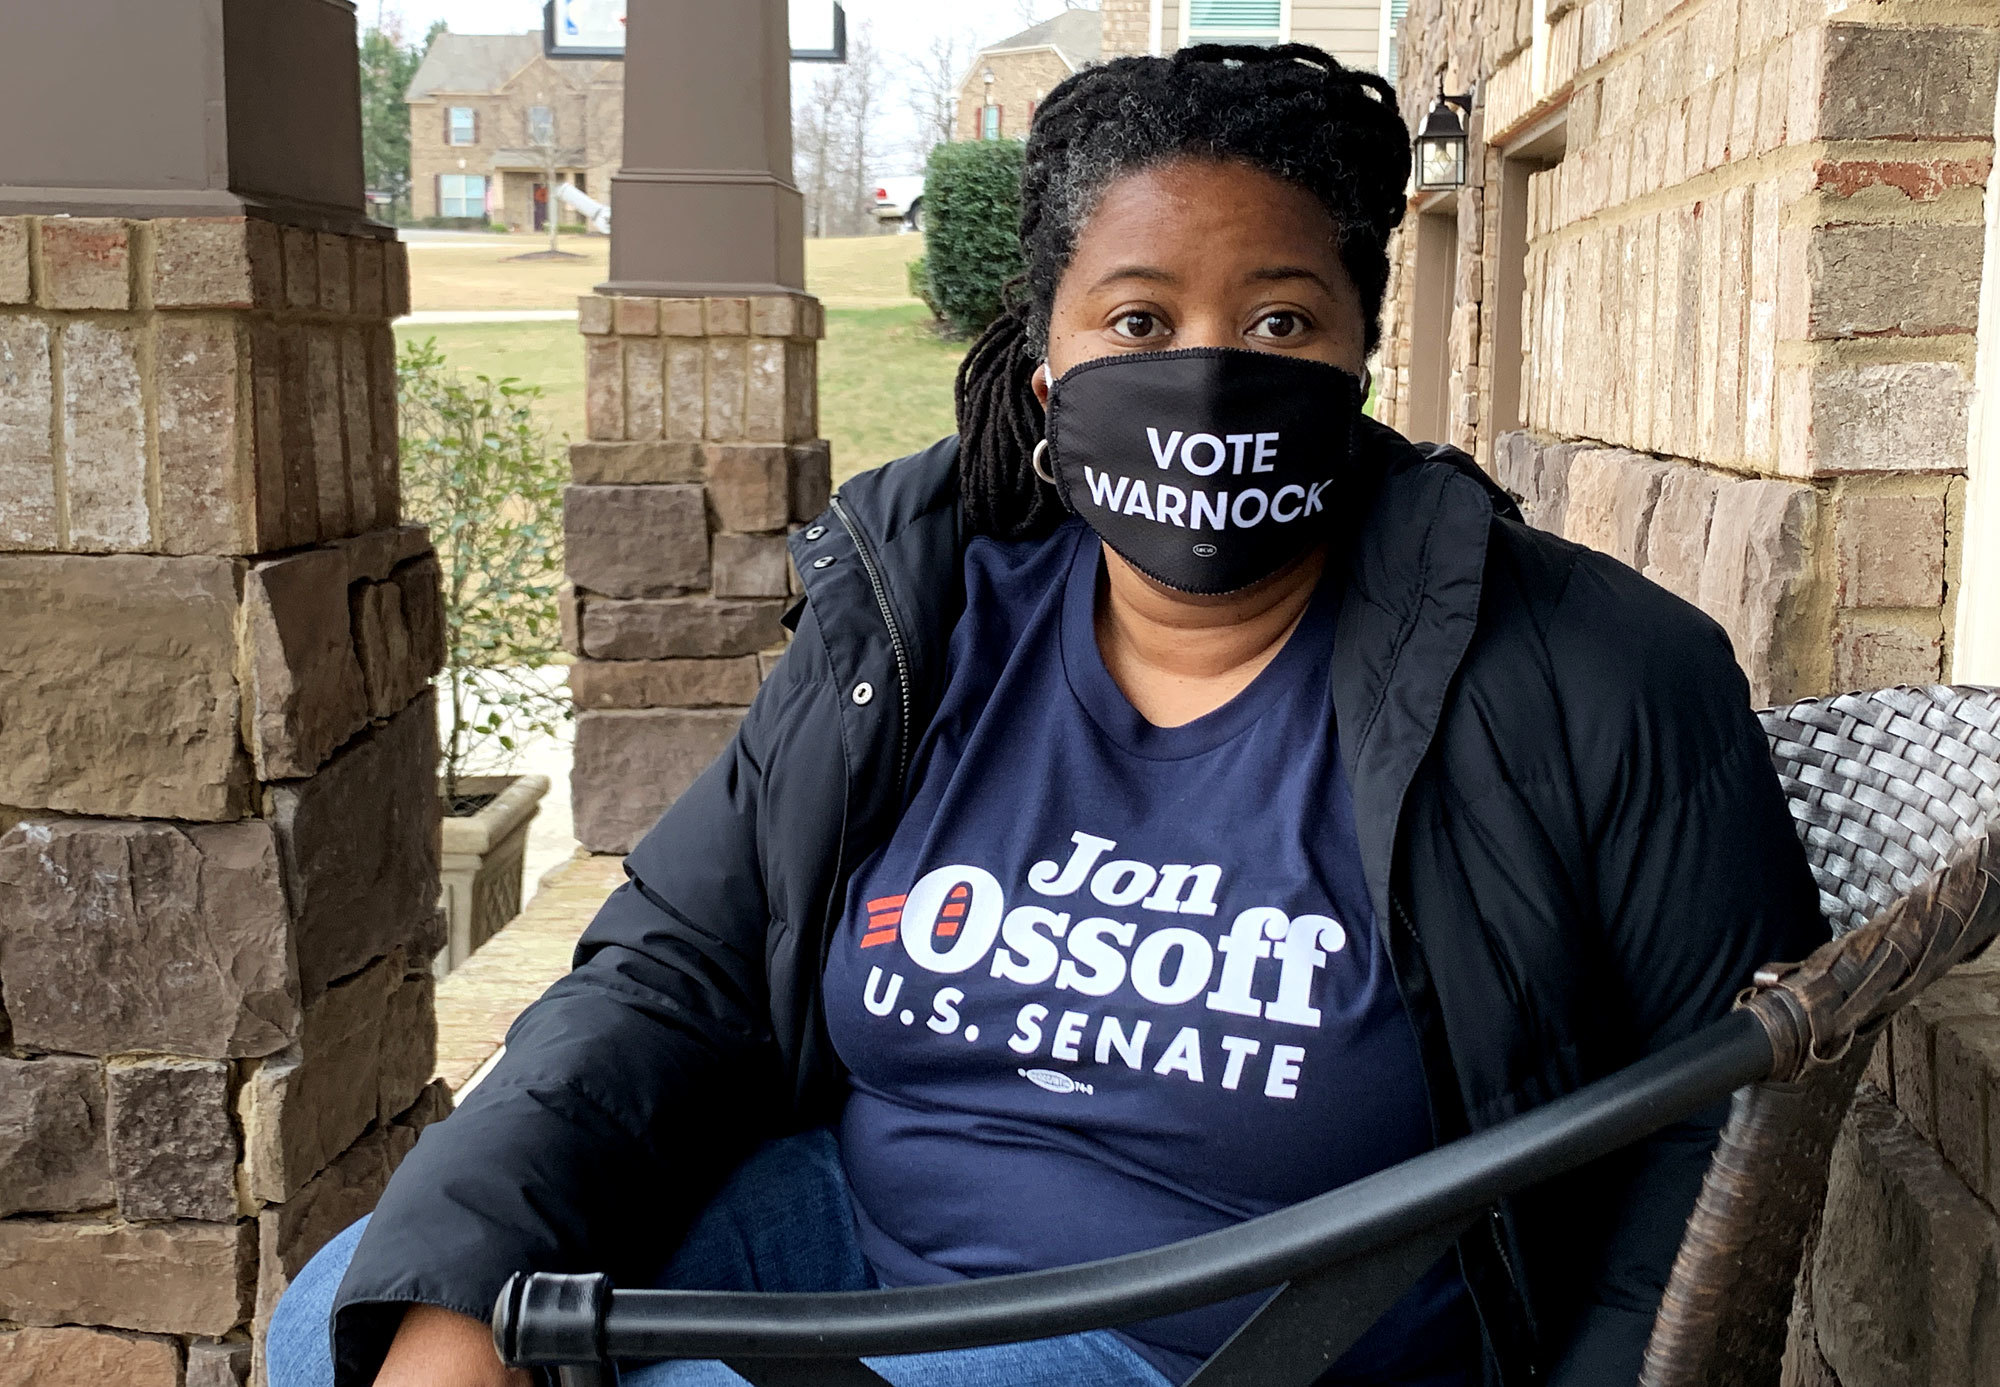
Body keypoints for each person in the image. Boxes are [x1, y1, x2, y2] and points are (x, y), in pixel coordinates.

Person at [268, 43, 1825, 1387]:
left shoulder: (1592, 669)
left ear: (1361, 355)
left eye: (1281, 322)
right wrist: (465, 1284)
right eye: (1139, 322)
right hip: (853, 1228)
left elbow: (1712, 1129)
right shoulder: (927, 618)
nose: (1210, 374)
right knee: (364, 1310)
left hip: (1218, 1332)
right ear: (1043, 371)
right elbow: (675, 963)